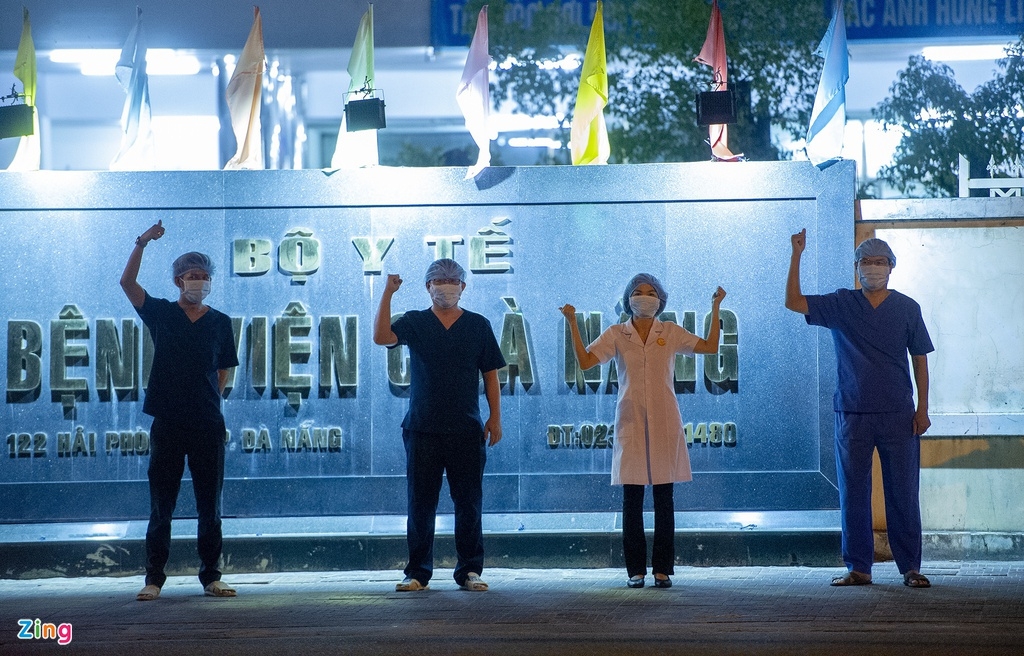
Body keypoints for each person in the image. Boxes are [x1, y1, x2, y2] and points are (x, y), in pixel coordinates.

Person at [786, 229, 934, 588]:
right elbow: (793, 301)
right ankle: (859, 568)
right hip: (852, 412)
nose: (873, 267)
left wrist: (923, 408)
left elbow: (920, 361)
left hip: (899, 413)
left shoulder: (907, 308)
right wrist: (796, 255)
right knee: (853, 491)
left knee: (903, 491)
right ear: (856, 269)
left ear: (891, 267)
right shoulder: (841, 303)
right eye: (866, 262)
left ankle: (910, 568)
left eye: (879, 261)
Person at [561, 274, 726, 589]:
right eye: (638, 292)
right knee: (632, 498)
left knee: (665, 497)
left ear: (660, 300)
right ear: (628, 299)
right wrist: (572, 322)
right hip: (631, 420)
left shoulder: (671, 331)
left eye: (651, 293)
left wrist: (716, 306)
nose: (645, 297)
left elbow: (709, 346)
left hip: (664, 419)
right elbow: (585, 362)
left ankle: (662, 569)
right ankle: (635, 570)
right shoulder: (617, 333)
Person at [120, 220, 239, 601]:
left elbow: (223, 369)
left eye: (204, 276)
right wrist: (142, 242)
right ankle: (154, 578)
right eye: (191, 275)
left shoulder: (220, 322)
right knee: (162, 505)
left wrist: (206, 399)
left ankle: (211, 576)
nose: (198, 282)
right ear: (178, 281)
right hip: (168, 421)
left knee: (210, 506)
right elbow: (128, 284)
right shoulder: (161, 314)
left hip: (206, 423)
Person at [373, 258, 506, 592]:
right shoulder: (415, 322)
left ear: (463, 286)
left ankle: (470, 570)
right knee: (420, 503)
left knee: (469, 502)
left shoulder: (478, 325)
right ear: (427, 287)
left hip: (466, 428)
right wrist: (387, 293)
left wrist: (495, 417)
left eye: (452, 280)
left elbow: (490, 374)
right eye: (438, 280)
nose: (446, 285)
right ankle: (417, 571)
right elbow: (380, 337)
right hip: (422, 428)